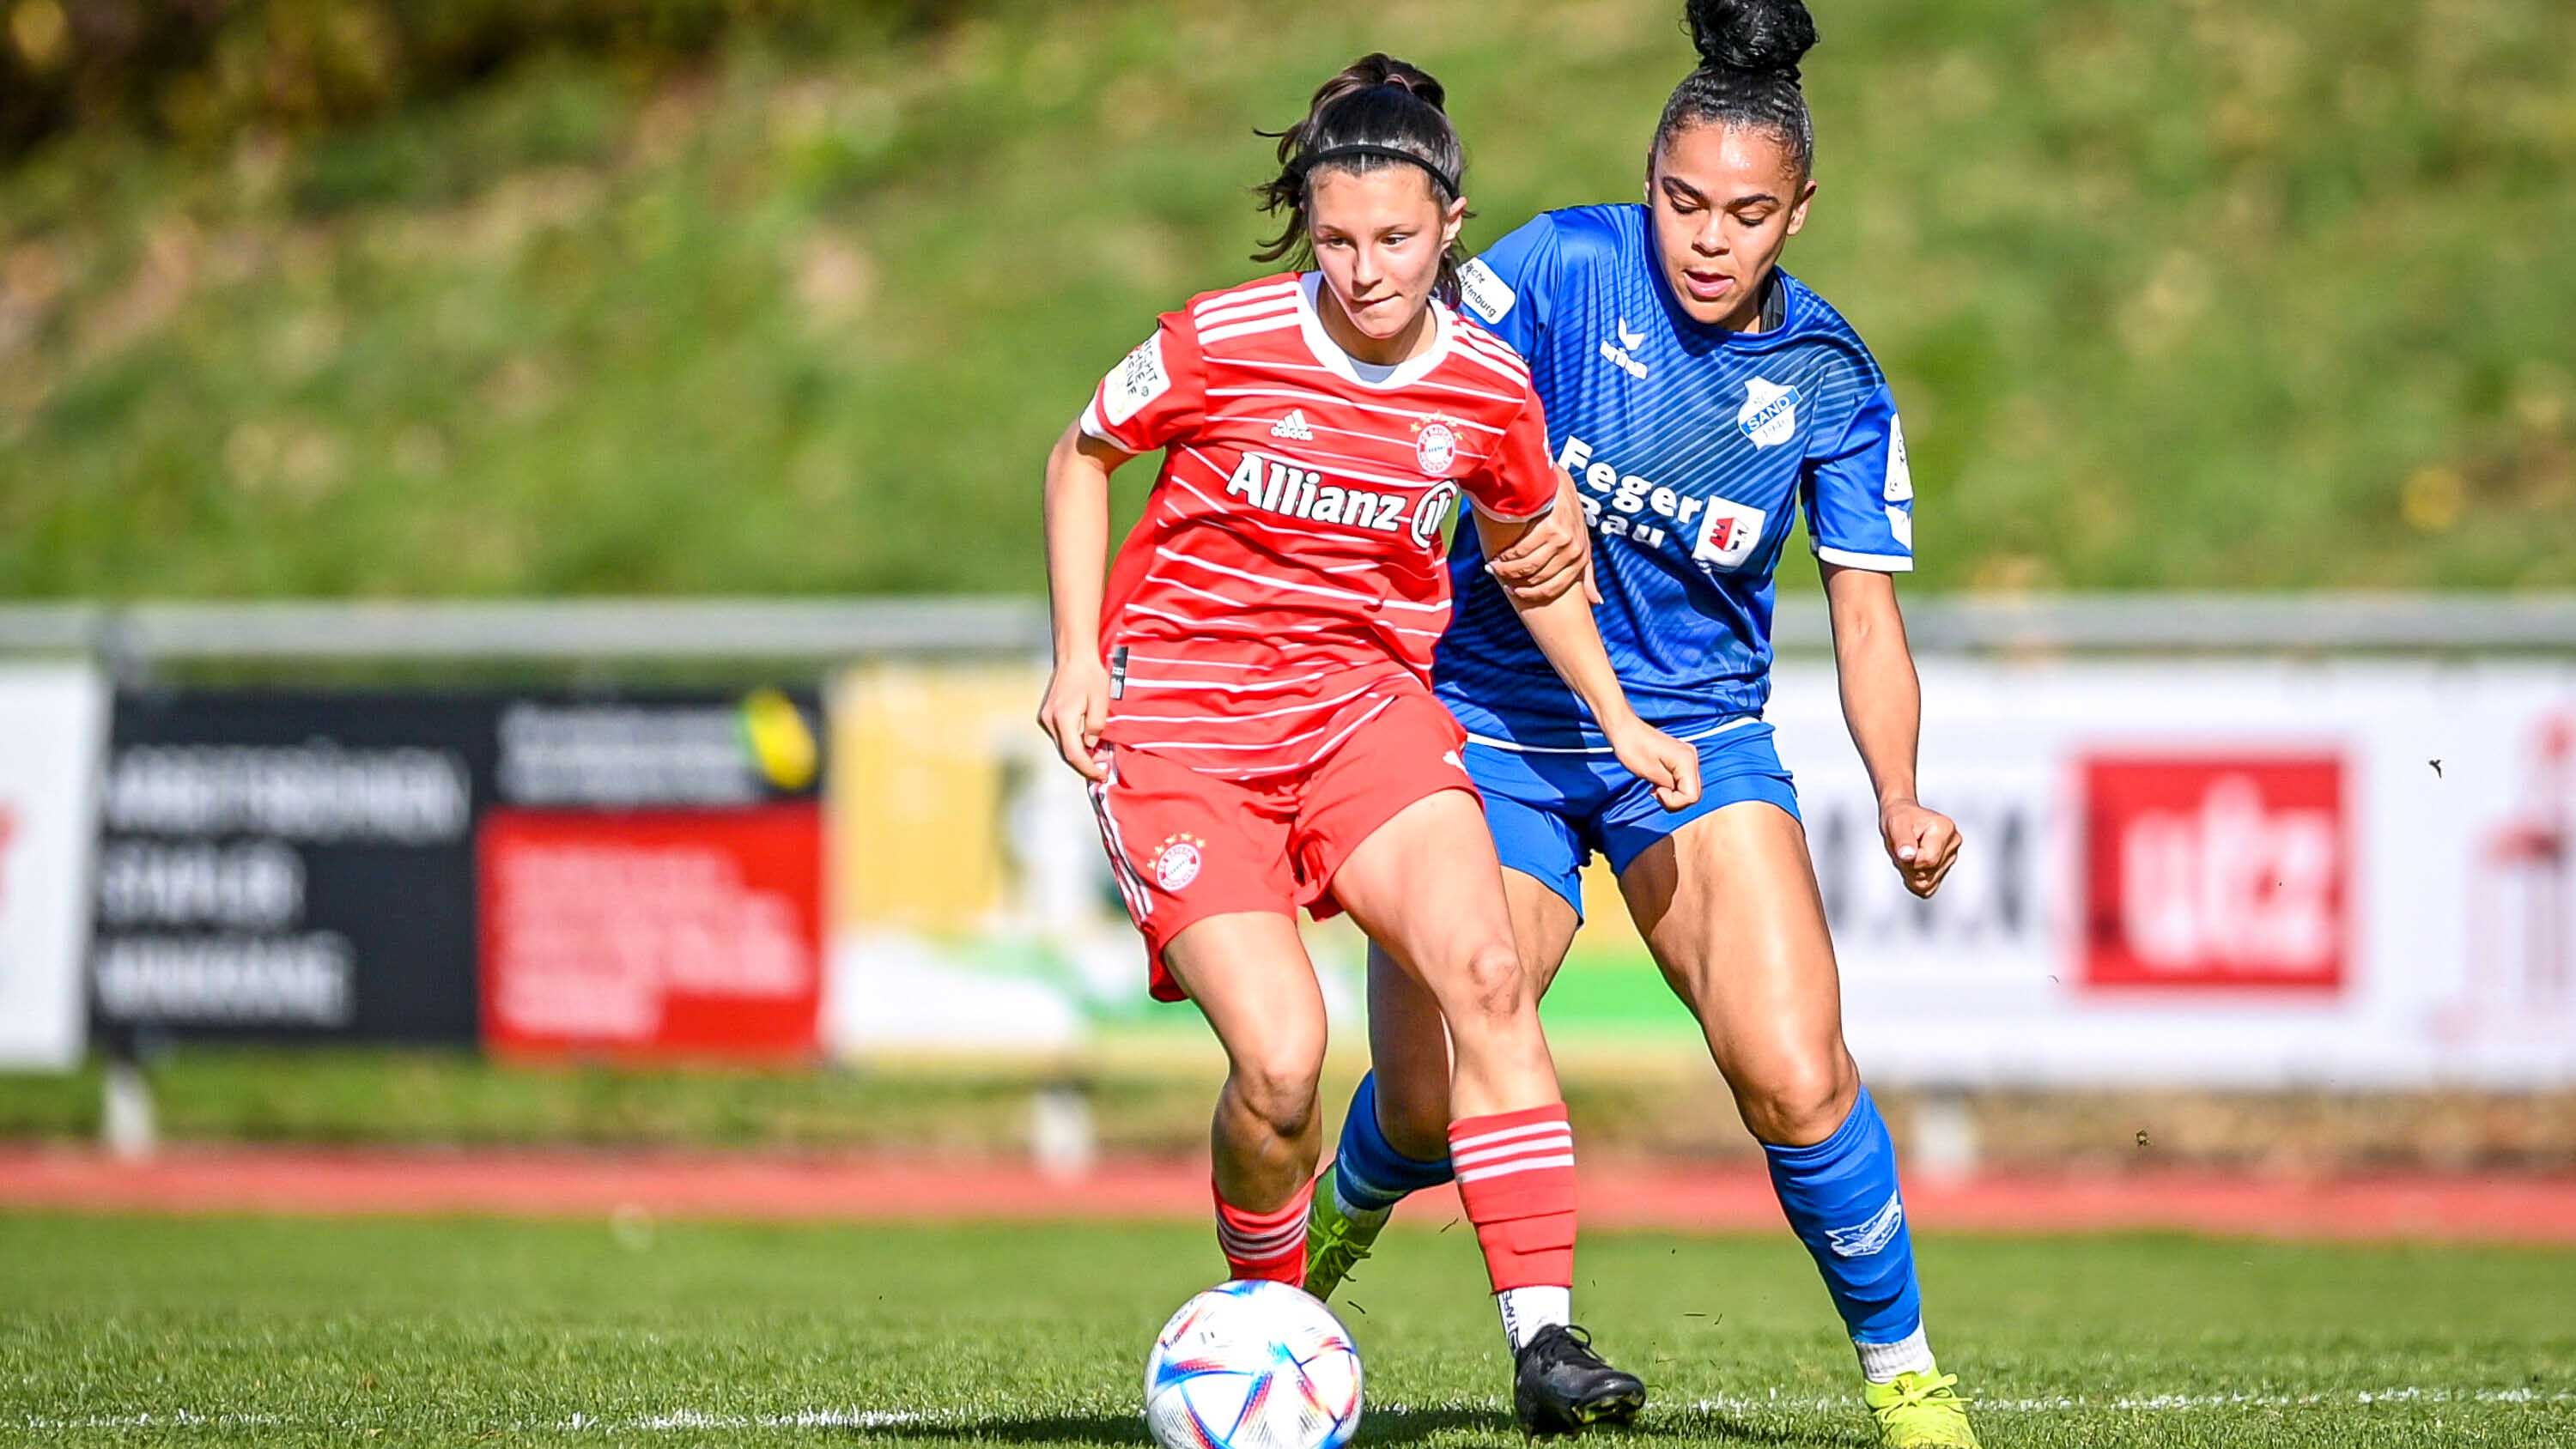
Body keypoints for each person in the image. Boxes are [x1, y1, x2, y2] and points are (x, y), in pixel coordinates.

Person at [1299, 5, 1981, 1446]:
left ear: (1802, 207)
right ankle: (1319, 1258)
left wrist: (1903, 793)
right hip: (1490, 723)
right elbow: (1400, 372)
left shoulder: (1831, 380)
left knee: (1799, 1075)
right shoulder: (1557, 267)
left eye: (1746, 213)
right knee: (1424, 1104)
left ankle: (1909, 1383)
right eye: (1682, 201)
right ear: (1646, 182)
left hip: (1697, 742)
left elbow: (1864, 612)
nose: (1708, 239)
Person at [1036, 54, 1704, 1434]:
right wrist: (1069, 661)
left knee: (1487, 974)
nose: (1364, 268)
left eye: (1395, 238)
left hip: (1364, 715)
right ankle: (1266, 1329)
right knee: (1280, 1067)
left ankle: (1546, 1343)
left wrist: (1621, 715)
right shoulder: (1222, 340)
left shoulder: (1484, 385)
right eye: (1336, 239)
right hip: (1186, 731)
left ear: (1450, 221)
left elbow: (1530, 558)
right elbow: (1081, 454)